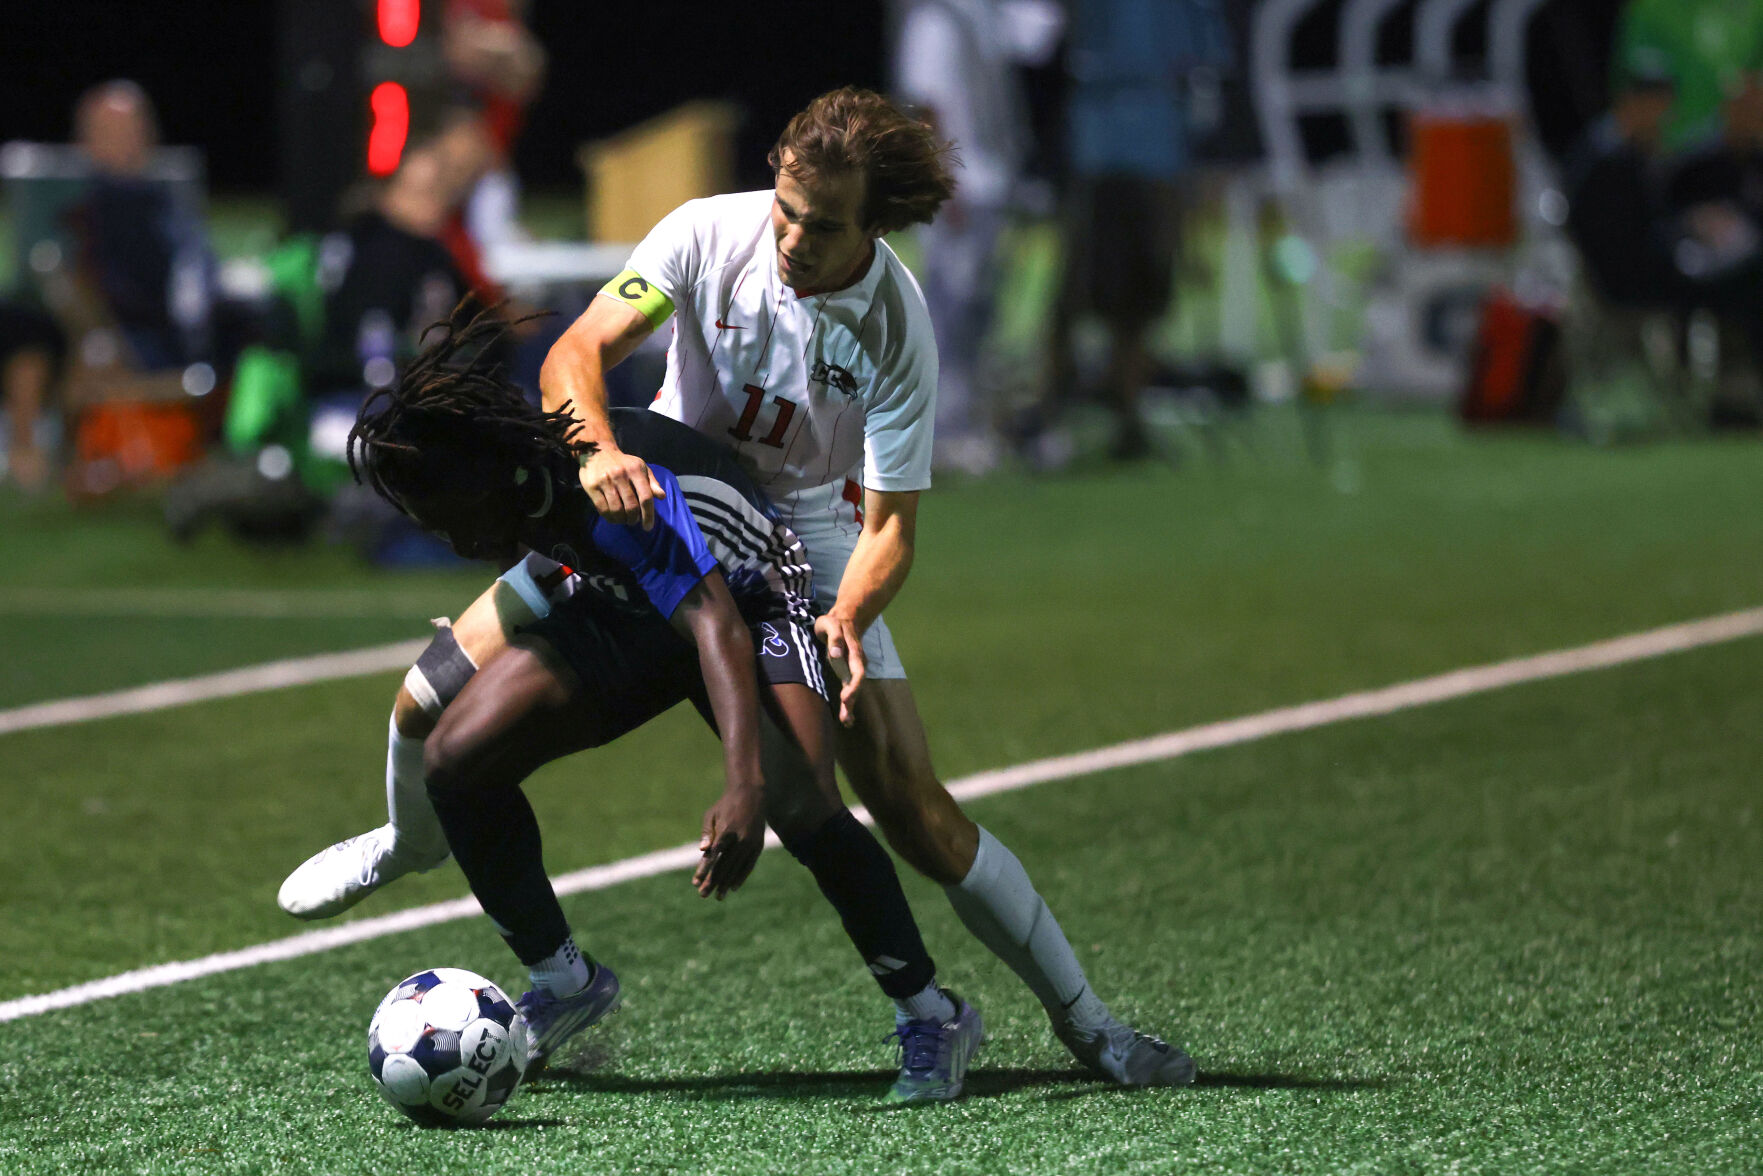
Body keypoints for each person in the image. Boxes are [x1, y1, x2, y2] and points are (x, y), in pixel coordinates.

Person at [284, 86, 1192, 1088]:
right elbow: (578, 352)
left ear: (875, 223)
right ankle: (418, 849)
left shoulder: (894, 324)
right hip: (642, 501)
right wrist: (593, 458)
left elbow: (890, 528)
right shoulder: (707, 234)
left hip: (797, 543)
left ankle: (1082, 1024)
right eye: (786, 205)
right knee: (425, 706)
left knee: (902, 812)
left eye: (824, 222)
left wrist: (846, 614)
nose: (794, 235)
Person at [289, 305, 984, 1101]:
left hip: (752, 599)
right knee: (455, 760)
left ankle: (931, 1015)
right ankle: (564, 981)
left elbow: (715, 625)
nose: (445, 540)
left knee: (804, 807)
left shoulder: (611, 501)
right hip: (636, 607)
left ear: (498, 481)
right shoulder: (526, 484)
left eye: (445, 518)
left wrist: (742, 787)